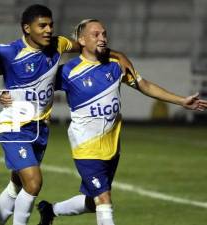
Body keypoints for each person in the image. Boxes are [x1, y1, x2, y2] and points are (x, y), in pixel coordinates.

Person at [0, 4, 136, 225]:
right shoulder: (9, 51)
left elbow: (87, 46)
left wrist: (119, 54)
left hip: (39, 127)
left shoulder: (58, 44)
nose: (49, 29)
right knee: (34, 182)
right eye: (42, 25)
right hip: (12, 122)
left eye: (50, 24)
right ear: (27, 28)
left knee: (16, 185)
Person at [36, 19, 207, 225]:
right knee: (104, 199)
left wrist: (181, 101)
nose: (103, 38)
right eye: (96, 34)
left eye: (104, 34)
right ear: (81, 40)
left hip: (112, 146)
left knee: (94, 201)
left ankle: (50, 210)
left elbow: (144, 85)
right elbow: (37, 87)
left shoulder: (117, 66)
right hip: (85, 146)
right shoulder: (68, 71)